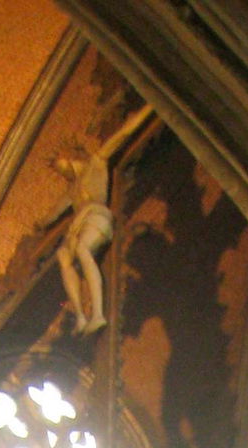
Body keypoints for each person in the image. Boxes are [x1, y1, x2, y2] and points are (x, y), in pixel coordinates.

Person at [53, 105, 154, 333]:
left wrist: (148, 108)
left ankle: (97, 313)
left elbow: (123, 133)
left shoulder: (96, 162)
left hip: (96, 216)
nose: (63, 174)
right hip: (79, 223)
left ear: (71, 158)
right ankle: (80, 315)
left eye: (61, 167)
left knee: (82, 250)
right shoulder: (71, 192)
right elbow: (53, 213)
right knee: (62, 255)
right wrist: (40, 223)